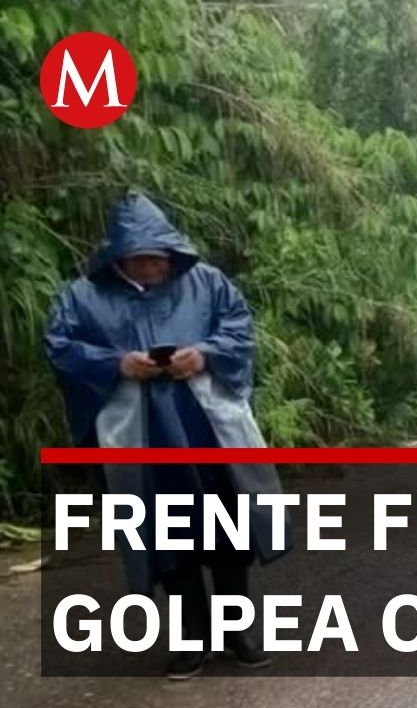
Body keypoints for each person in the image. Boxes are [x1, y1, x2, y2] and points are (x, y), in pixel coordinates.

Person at [44, 192, 289, 680]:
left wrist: (204, 354)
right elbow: (60, 345)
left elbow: (239, 328)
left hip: (208, 431)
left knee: (227, 531)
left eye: (159, 258)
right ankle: (191, 639)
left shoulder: (206, 283)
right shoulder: (83, 297)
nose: (153, 267)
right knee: (164, 538)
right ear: (119, 258)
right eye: (141, 259)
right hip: (140, 440)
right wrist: (115, 364)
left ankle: (236, 631)